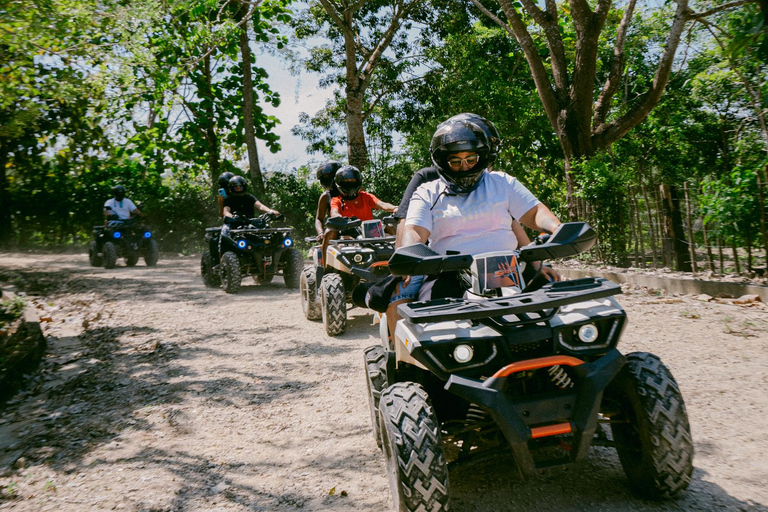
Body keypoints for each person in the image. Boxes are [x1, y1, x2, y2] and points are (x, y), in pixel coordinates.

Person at [385, 117, 563, 335]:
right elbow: (414, 231)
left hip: (509, 270)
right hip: (450, 274)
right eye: (456, 161)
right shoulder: (427, 192)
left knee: (558, 323)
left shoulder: (502, 183)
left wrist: (557, 228)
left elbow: (534, 213)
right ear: (443, 161)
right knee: (429, 336)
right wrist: (411, 254)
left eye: (471, 159)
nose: (465, 166)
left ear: (482, 157)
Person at [321, 165, 397, 264]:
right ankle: (325, 265)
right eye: (347, 183)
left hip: (371, 231)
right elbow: (334, 212)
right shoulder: (337, 200)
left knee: (390, 227)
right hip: (349, 231)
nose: (350, 185)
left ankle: (397, 258)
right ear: (339, 184)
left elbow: (382, 204)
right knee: (329, 233)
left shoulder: (365, 196)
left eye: (353, 182)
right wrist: (339, 218)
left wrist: (395, 208)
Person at [313, 161, 342, 242]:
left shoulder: (357, 190)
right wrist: (320, 233)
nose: (326, 179)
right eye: (324, 177)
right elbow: (319, 219)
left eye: (328, 176)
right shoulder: (326, 196)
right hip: (337, 231)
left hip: (358, 229)